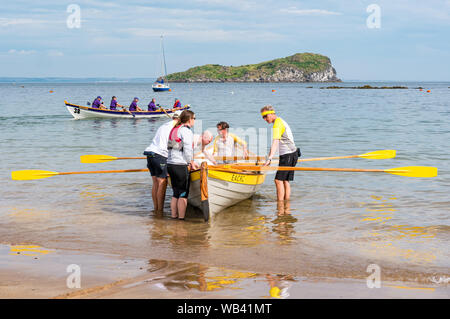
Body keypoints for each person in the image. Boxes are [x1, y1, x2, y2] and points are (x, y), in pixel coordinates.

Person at [261, 105, 300, 202]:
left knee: (278, 180)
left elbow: (275, 142)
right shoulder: (280, 121)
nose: (264, 119)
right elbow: (276, 144)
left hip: (288, 155)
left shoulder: (277, 124)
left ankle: (280, 205)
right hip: (292, 154)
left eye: (265, 116)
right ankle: (286, 205)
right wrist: (270, 157)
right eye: (263, 117)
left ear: (271, 113)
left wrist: (270, 158)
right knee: (285, 180)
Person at [143, 114, 179, 212]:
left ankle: (156, 209)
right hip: (160, 155)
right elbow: (175, 146)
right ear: (179, 119)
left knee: (155, 183)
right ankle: (160, 211)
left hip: (150, 153)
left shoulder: (163, 126)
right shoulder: (175, 128)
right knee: (163, 182)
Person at [167, 110, 198, 220]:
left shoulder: (175, 129)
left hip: (170, 164)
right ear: (190, 119)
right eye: (194, 118)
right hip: (180, 165)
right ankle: (181, 219)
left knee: (175, 193)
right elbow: (188, 149)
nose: (194, 120)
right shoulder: (186, 131)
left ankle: (173, 217)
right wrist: (190, 162)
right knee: (183, 194)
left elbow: (171, 148)